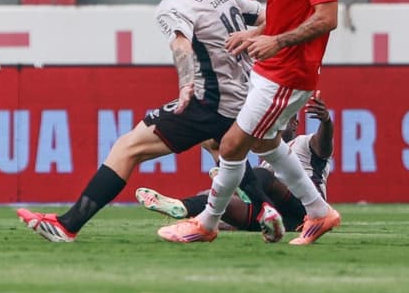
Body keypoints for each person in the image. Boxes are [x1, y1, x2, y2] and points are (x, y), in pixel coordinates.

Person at [16, 0, 285, 242]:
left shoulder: (172, 5)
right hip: (247, 96)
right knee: (217, 145)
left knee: (128, 148)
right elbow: (271, 15)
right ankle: (266, 209)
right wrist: (256, 36)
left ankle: (68, 225)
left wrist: (186, 85)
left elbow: (181, 46)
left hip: (210, 101)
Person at [158, 0, 341, 246]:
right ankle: (319, 212)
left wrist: (275, 41)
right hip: (273, 65)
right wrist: (256, 33)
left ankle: (206, 223)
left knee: (230, 145)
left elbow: (327, 17)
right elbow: (289, 13)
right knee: (264, 145)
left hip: (290, 71)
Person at [137, 91, 333, 233]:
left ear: (295, 124)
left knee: (261, 175)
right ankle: (182, 207)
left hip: (305, 208)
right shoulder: (267, 154)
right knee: (218, 200)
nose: (277, 125)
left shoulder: (305, 143)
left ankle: (240, 184)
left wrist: (326, 121)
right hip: (284, 221)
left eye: (283, 121)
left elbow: (323, 146)